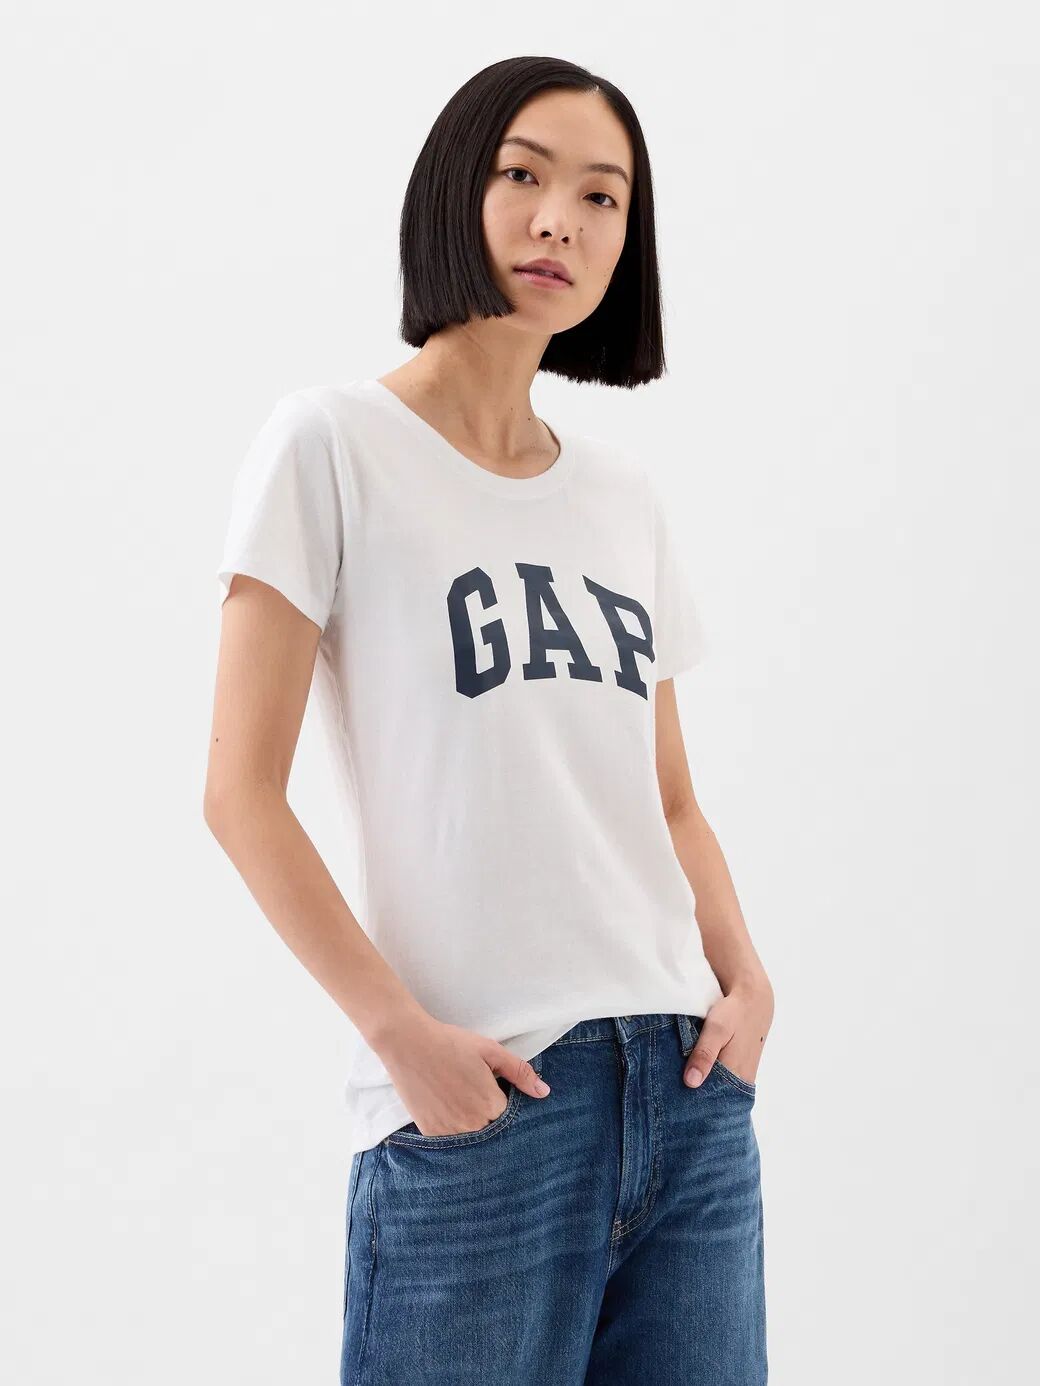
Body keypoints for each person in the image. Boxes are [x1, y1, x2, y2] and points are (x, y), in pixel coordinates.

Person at [204, 54, 774, 1385]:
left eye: (602, 196)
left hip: (687, 1092)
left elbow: (669, 798)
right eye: (524, 175)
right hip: (489, 1102)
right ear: (457, 187)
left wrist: (746, 984)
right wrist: (400, 1039)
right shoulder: (332, 446)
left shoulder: (622, 499)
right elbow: (238, 792)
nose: (559, 220)